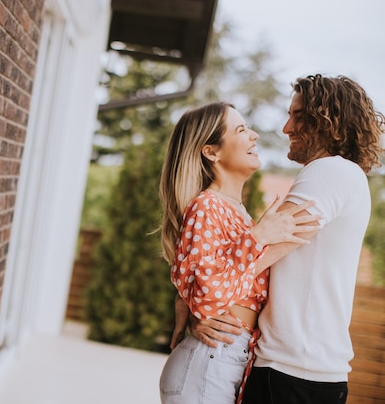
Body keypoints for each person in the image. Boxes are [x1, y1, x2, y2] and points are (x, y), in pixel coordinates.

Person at [181, 74, 385, 404]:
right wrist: (193, 302)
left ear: (327, 120)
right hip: (303, 372)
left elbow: (253, 260)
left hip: (292, 373)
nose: (286, 128)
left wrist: (201, 303)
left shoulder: (330, 171)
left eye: (298, 116)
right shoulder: (343, 175)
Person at [157, 102, 321, 404]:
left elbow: (211, 278)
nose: (254, 135)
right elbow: (209, 294)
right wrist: (258, 237)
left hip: (226, 358)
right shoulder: (206, 205)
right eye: (241, 129)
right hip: (209, 360)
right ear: (211, 151)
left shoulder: (238, 213)